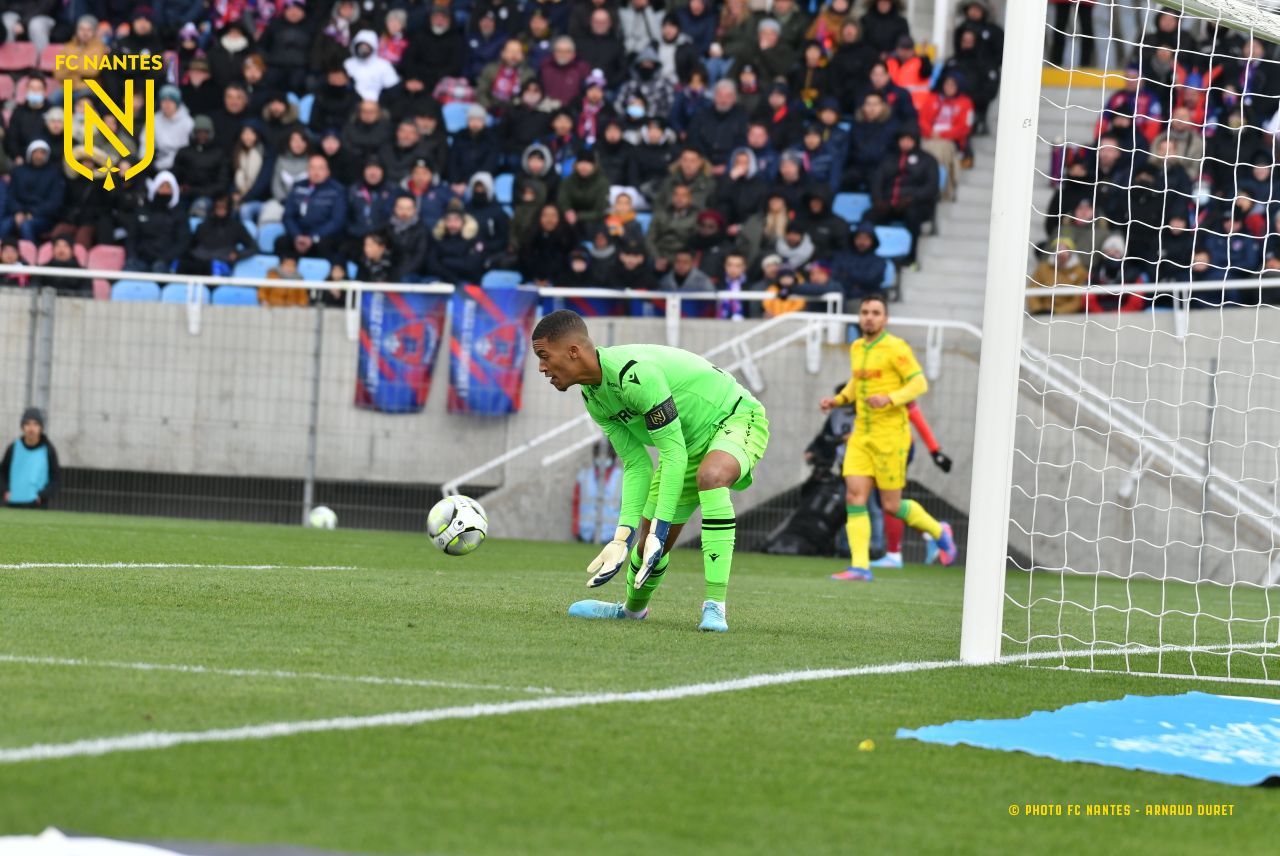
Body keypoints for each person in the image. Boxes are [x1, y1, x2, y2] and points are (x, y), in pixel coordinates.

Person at [532, 309, 770, 632]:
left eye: (545, 356)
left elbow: (670, 453)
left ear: (573, 351)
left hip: (734, 418)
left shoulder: (635, 376)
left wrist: (659, 528)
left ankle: (715, 607)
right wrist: (622, 536)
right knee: (646, 547)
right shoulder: (593, 399)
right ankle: (631, 611)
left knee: (711, 478)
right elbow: (637, 463)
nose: (541, 367)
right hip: (685, 447)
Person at [819, 295, 956, 581]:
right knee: (854, 496)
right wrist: (838, 399)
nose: (869, 317)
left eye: (875, 313)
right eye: (865, 312)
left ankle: (938, 531)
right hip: (861, 436)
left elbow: (919, 382)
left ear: (885, 319)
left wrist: (891, 398)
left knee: (892, 505)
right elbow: (858, 381)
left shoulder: (896, 348)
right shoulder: (857, 347)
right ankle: (860, 566)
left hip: (891, 438)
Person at [1, 408, 61, 509]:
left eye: (35, 424)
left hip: (37, 505)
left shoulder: (48, 450)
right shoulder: (13, 448)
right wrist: (5, 491)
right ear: (22, 426)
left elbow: (56, 479)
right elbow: (2, 473)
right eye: (27, 424)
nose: (31, 428)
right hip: (12, 504)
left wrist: (42, 495)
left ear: (41, 427)